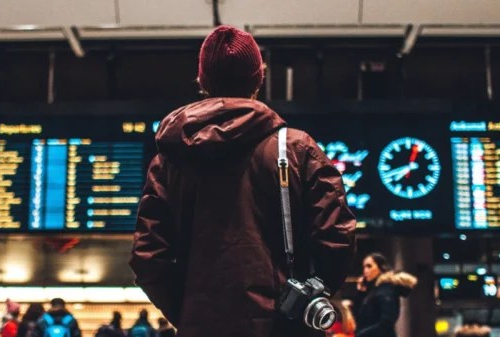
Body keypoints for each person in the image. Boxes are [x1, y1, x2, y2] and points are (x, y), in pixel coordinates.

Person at [129, 25, 356, 337]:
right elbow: (337, 237)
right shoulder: (297, 149)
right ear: (258, 79)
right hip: (283, 328)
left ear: (203, 81)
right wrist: (306, 298)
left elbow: (148, 258)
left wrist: (190, 314)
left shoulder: (170, 161)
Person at [354, 253, 417, 337]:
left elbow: (387, 323)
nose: (365, 271)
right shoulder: (375, 290)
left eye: (369, 266)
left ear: (382, 267)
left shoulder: (385, 290)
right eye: (364, 267)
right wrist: (360, 293)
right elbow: (361, 317)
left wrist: (361, 334)